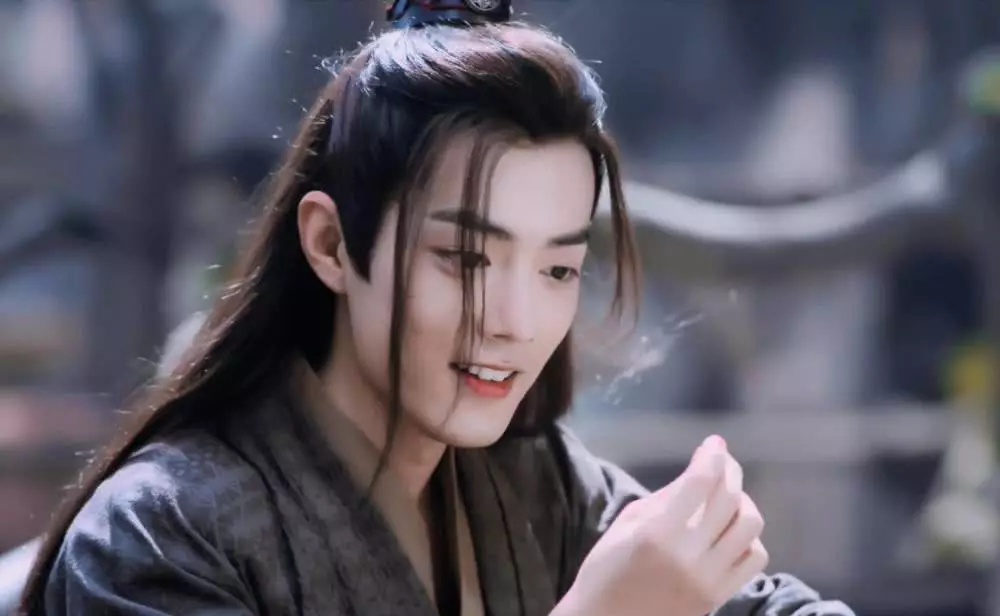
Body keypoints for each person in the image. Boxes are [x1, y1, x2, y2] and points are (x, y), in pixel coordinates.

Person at [20, 1, 854, 615]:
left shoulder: (532, 483)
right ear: (331, 244)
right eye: (465, 259)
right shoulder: (158, 538)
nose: (513, 321)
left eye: (557, 269)